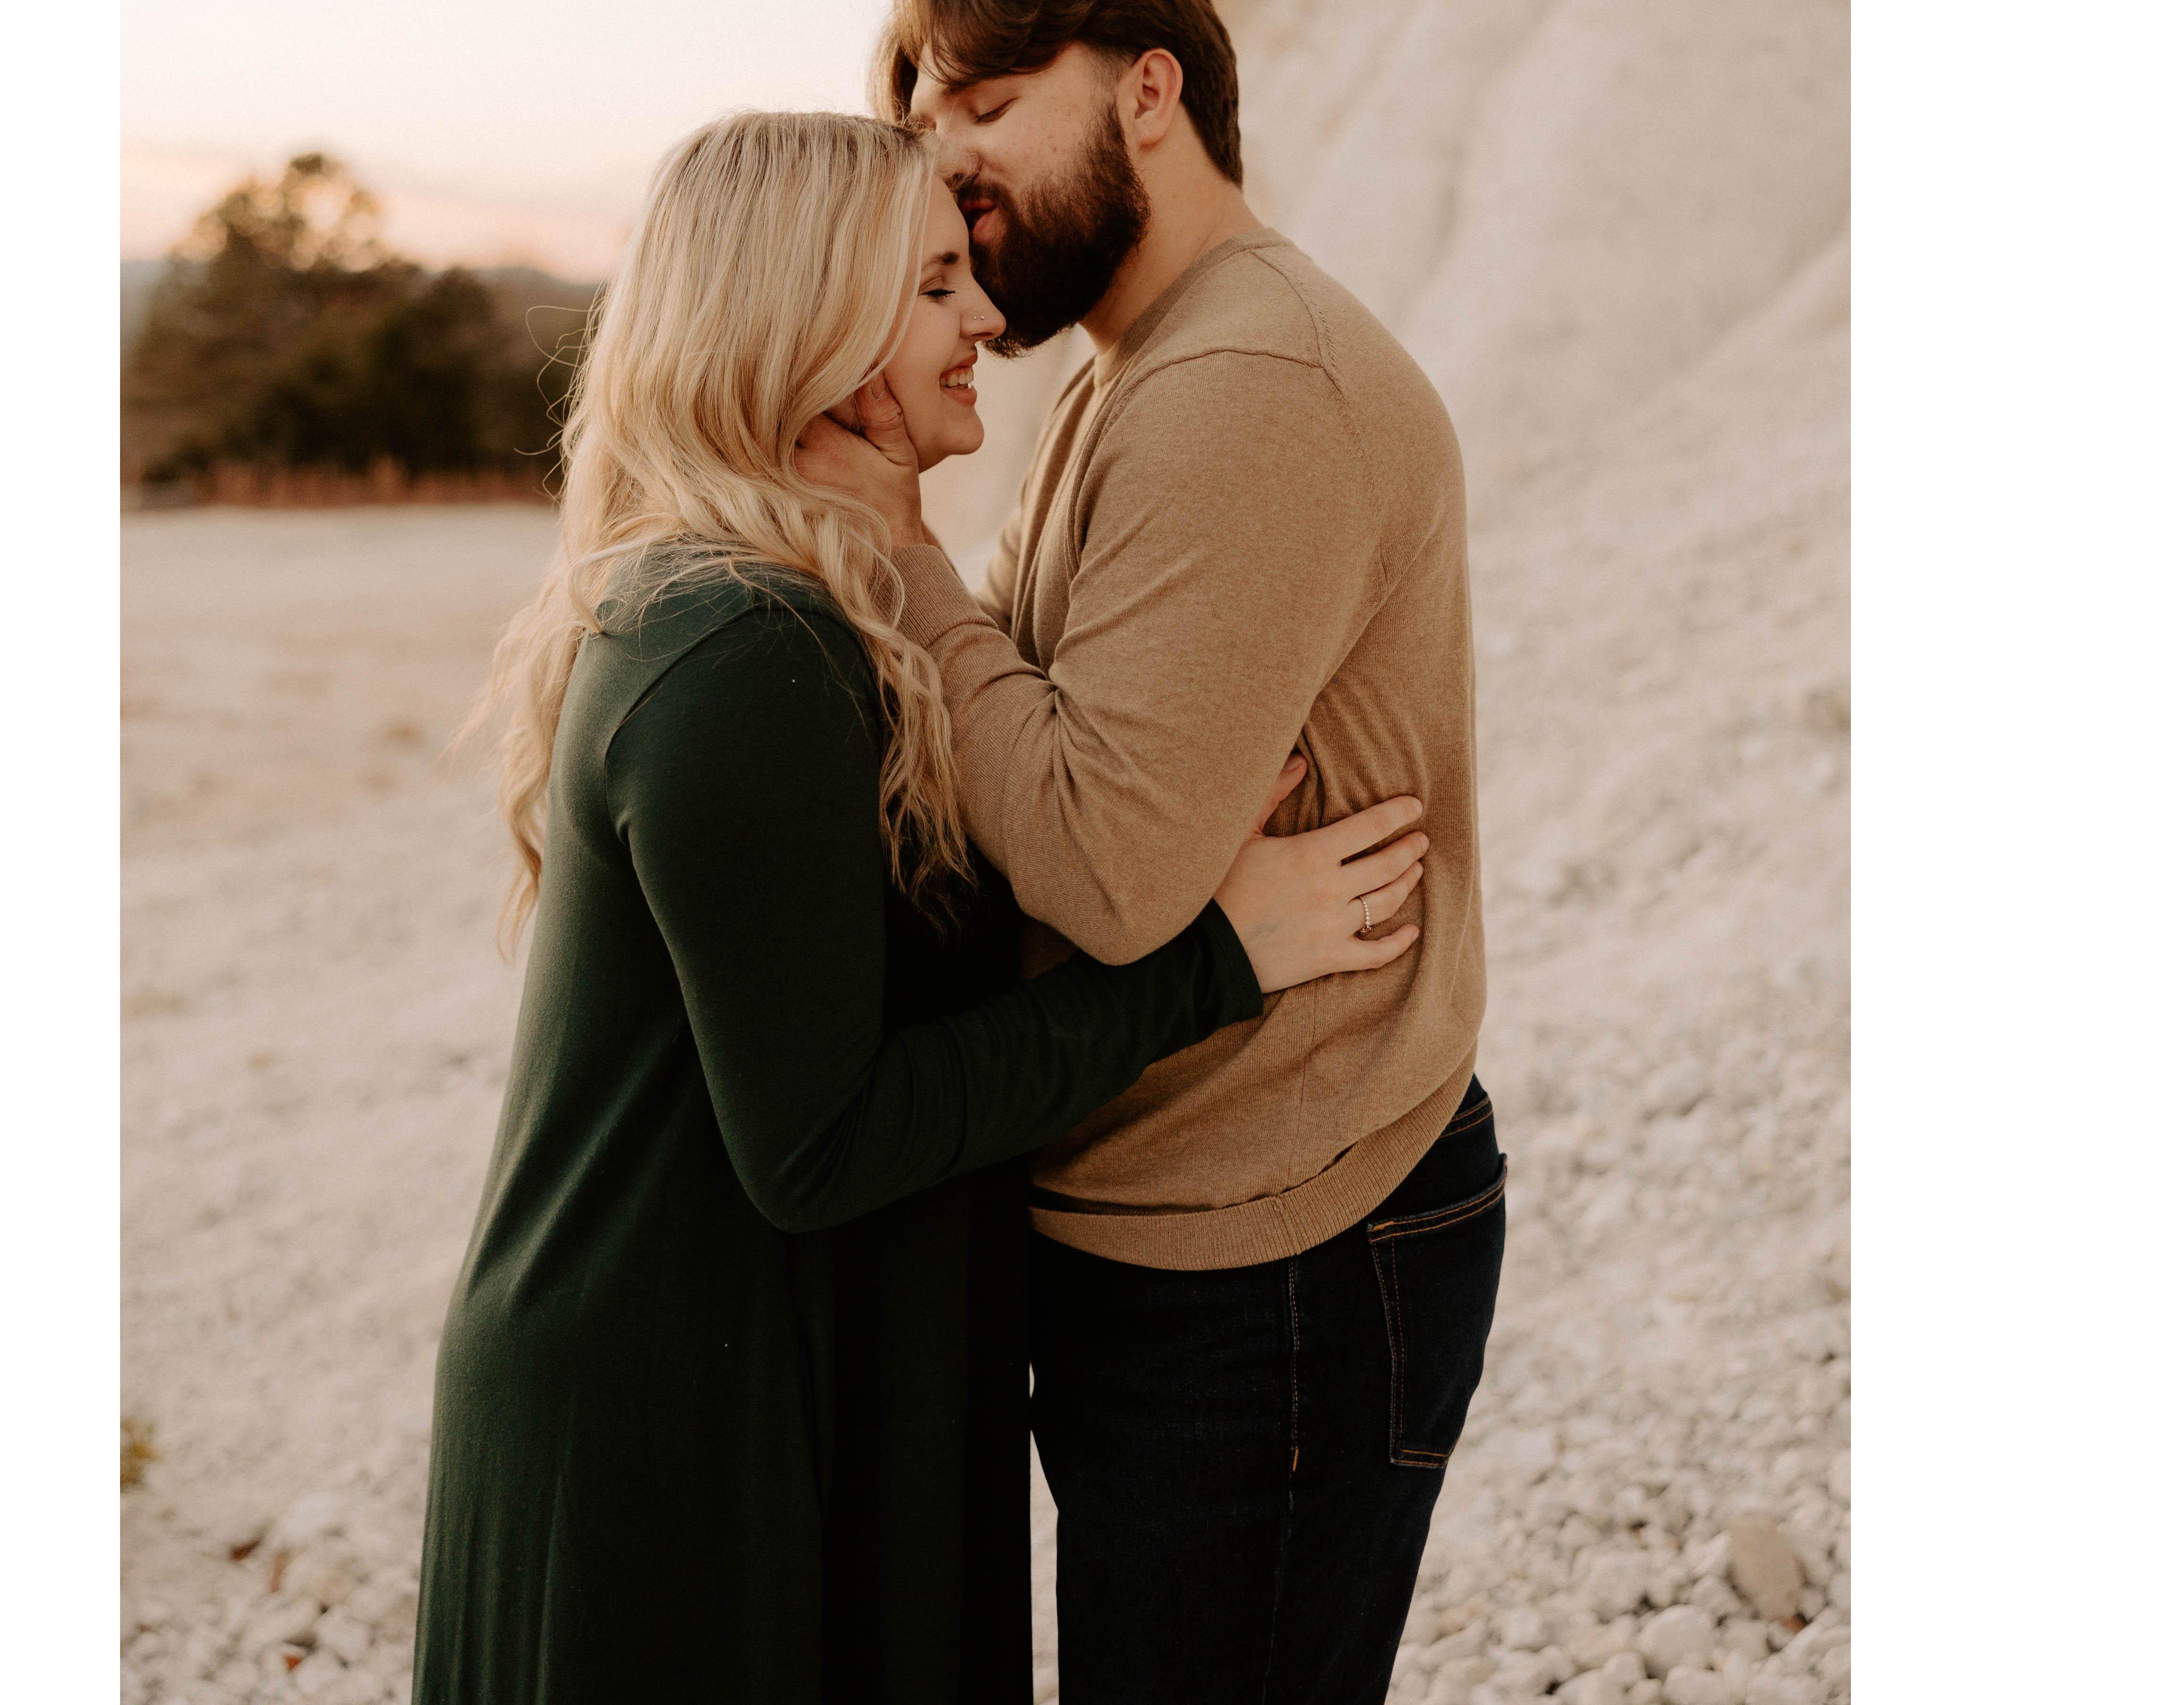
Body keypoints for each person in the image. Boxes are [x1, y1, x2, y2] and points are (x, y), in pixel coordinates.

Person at [411, 109, 1432, 1705]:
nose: (987, 321)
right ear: (808, 323)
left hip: (775, 1379)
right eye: (938, 284)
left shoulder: (802, 606)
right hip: (683, 1447)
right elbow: (820, 1141)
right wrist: (1216, 963)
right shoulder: (742, 650)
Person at [799, 0, 1501, 1705]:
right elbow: (1040, 764)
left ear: (1150, 92)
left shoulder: (1247, 388)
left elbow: (1107, 869)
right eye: (924, 127)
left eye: (988, 107)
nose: (947, 169)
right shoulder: (1146, 368)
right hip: (1187, 1216)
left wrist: (900, 550)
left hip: (1277, 1246)